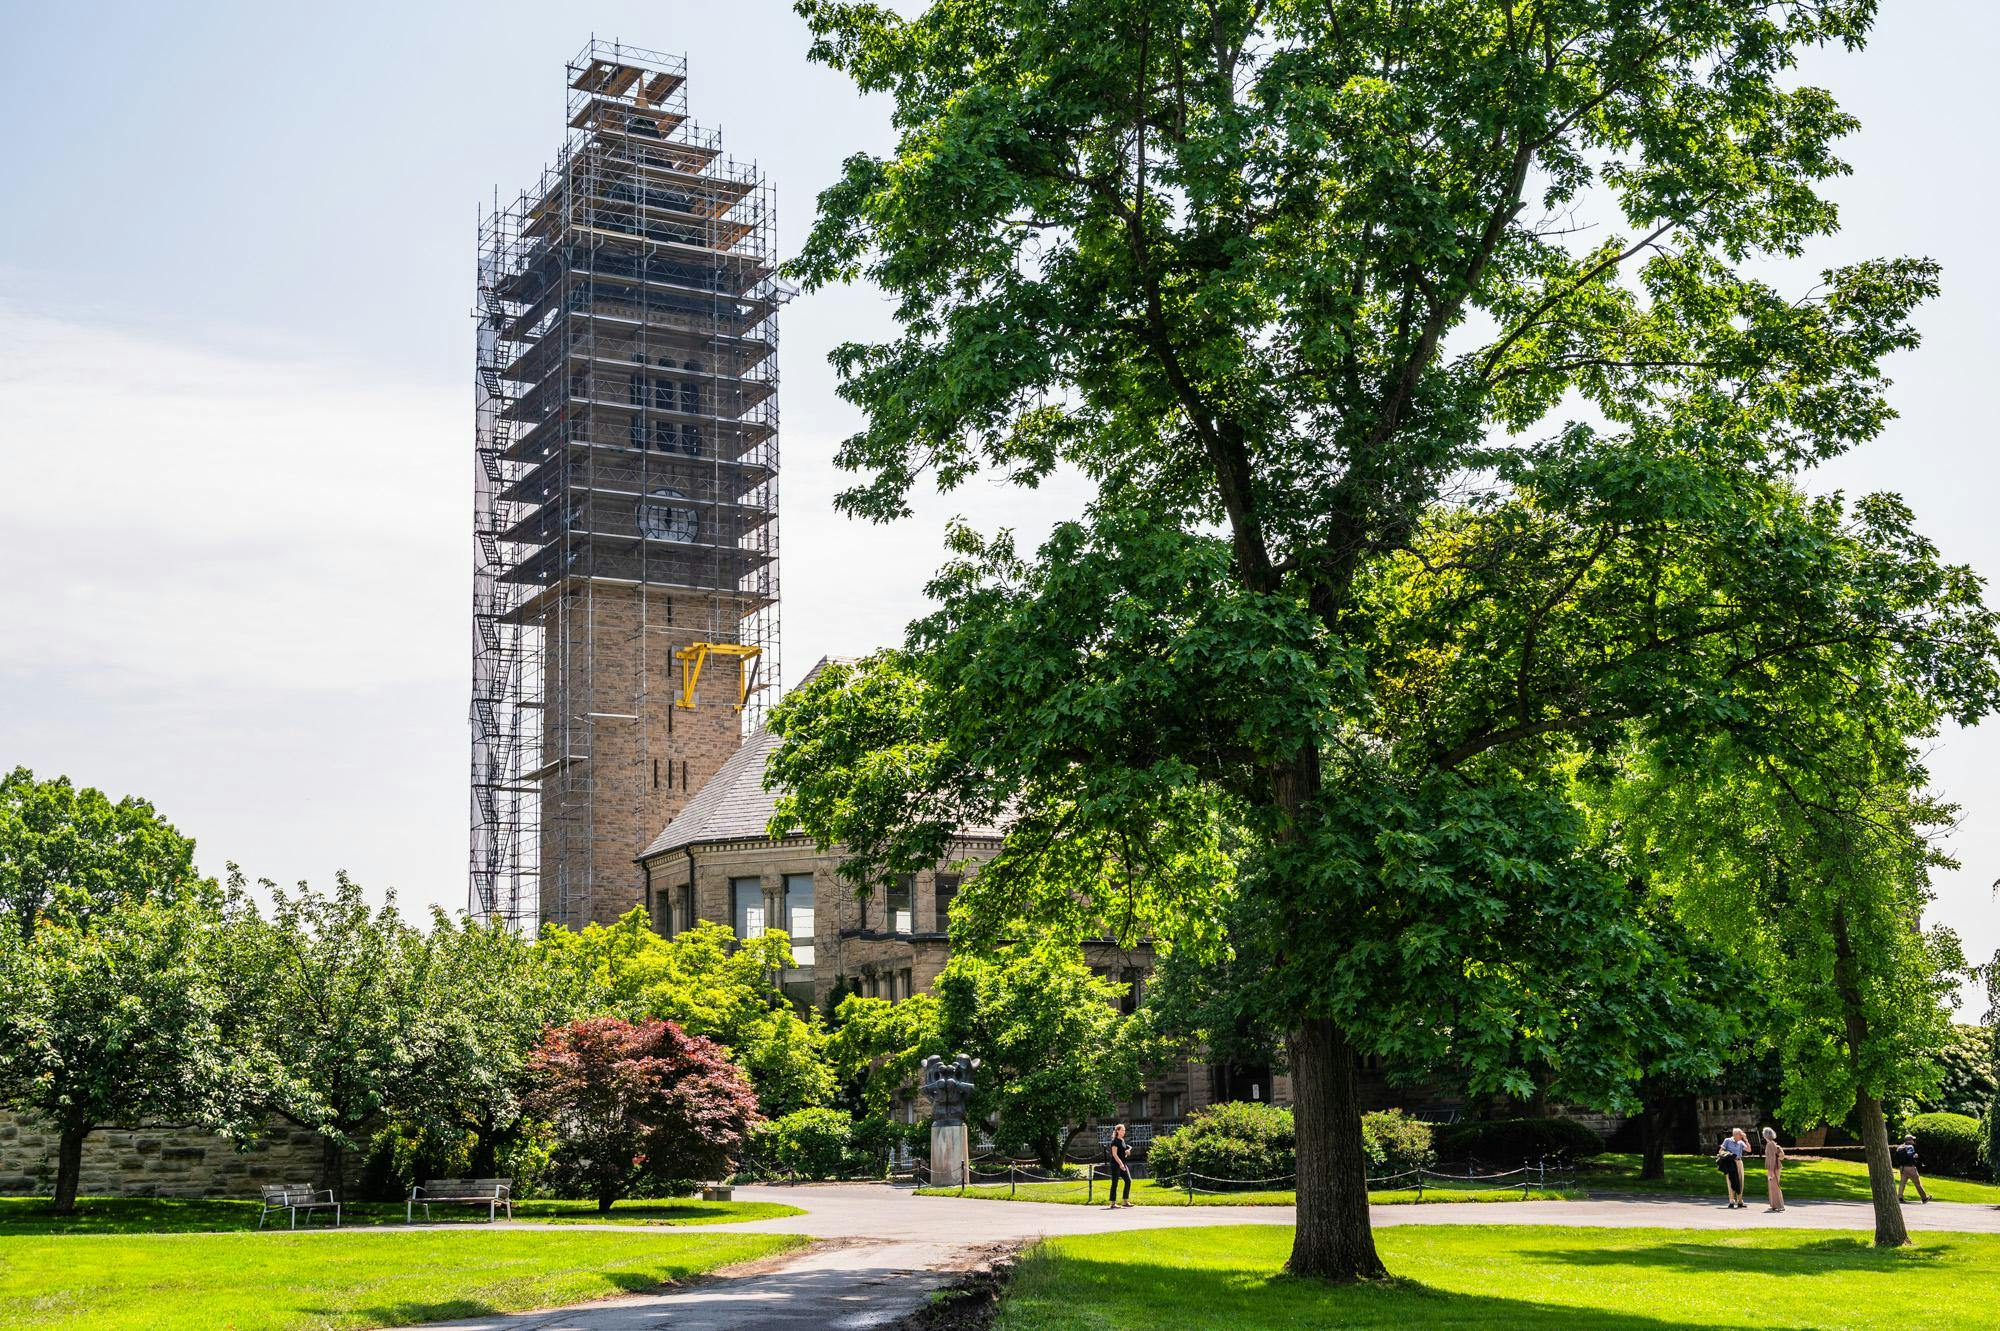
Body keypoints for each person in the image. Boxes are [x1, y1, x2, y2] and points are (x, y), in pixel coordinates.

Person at [1715, 1128, 1750, 1208]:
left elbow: (1749, 1149)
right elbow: (1720, 1151)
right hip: (1730, 1163)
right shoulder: (1727, 1140)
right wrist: (1729, 1154)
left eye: (1742, 1135)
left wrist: (1746, 1140)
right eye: (1740, 1135)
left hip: (1739, 1162)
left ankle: (1740, 1201)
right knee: (1731, 1181)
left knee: (1740, 1181)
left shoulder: (1741, 1142)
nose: (1741, 1136)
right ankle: (1731, 1201)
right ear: (1735, 1135)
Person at [1105, 1122, 1134, 1209]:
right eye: (1122, 1130)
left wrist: (1127, 1151)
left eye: (1124, 1130)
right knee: (1115, 1183)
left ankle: (1125, 1201)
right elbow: (1114, 1154)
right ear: (1118, 1131)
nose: (1124, 1131)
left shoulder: (1122, 1140)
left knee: (1128, 1181)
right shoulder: (1115, 1141)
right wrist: (1120, 1164)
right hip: (1116, 1165)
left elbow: (1124, 1151)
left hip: (1123, 1164)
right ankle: (1112, 1203)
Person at [1894, 1134, 1930, 1204]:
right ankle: (1924, 1198)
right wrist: (1915, 1156)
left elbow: (1896, 1158)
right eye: (1912, 1139)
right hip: (1910, 1167)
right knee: (1917, 1183)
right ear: (1909, 1141)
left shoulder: (1900, 1147)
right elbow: (1910, 1156)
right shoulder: (1910, 1147)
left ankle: (1899, 1197)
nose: (1913, 1141)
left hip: (1902, 1168)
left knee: (1902, 1183)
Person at [1761, 1127, 1786, 1212]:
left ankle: (1779, 1205)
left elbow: (1772, 1159)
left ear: (1765, 1135)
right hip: (1775, 1167)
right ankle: (1774, 1205)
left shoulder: (1770, 1144)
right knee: (1773, 1186)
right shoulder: (1772, 1143)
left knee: (1774, 1186)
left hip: (1774, 1167)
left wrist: (1771, 1171)